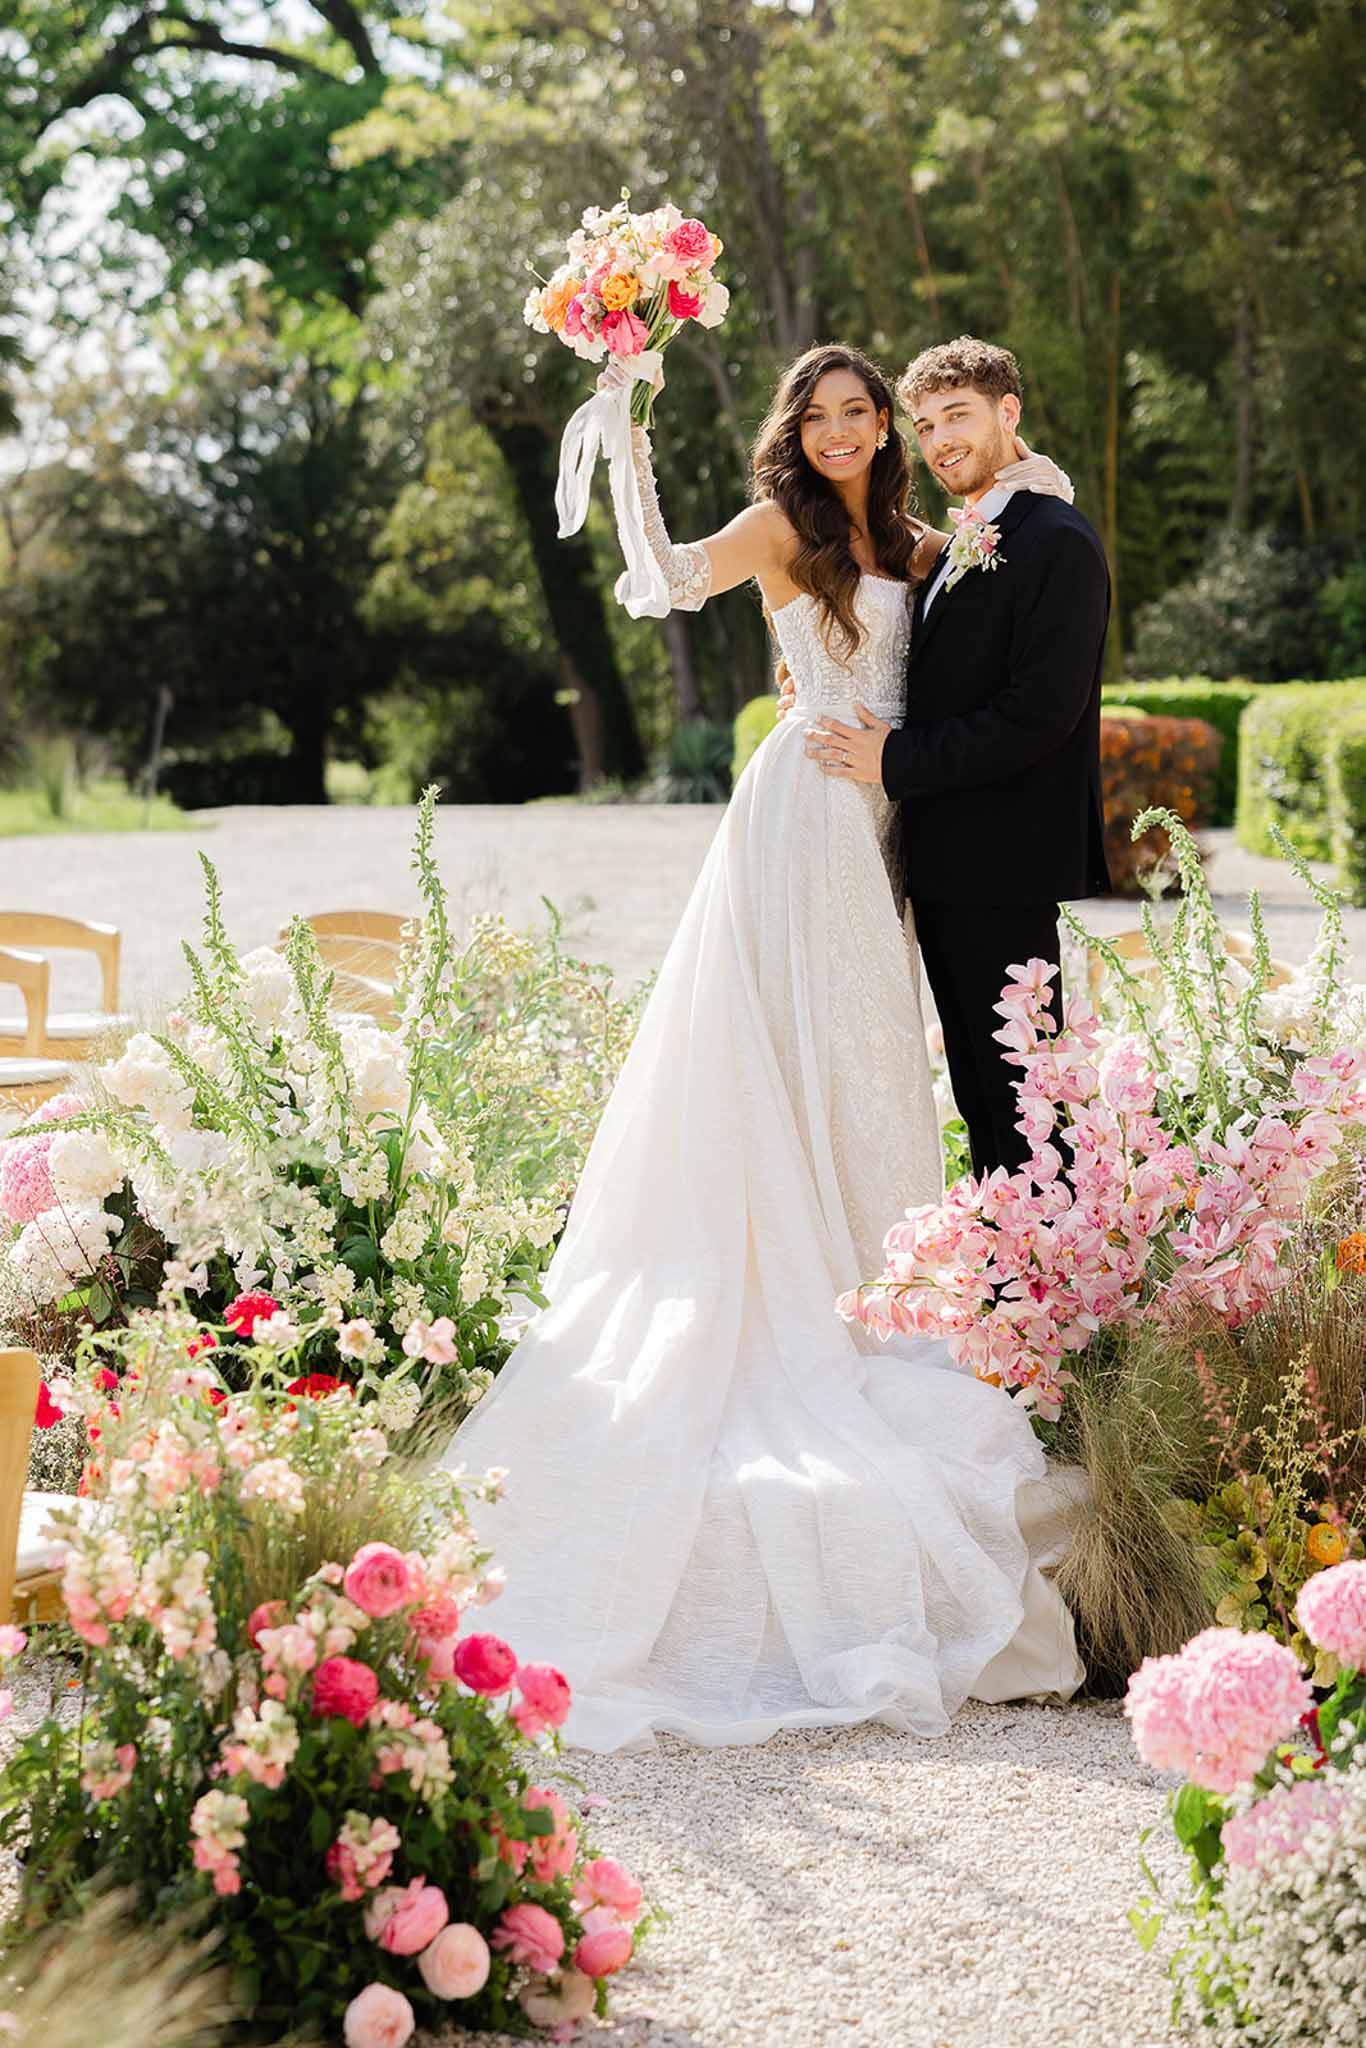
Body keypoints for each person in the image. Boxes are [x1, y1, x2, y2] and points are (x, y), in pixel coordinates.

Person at [444, 342, 1085, 1753]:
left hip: (886, 826)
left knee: (865, 1058)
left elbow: (993, 641)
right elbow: (663, 574)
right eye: (827, 412)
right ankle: (811, 1289)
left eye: (867, 412)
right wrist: (619, 430)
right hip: (803, 813)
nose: (849, 429)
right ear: (793, 429)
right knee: (798, 1051)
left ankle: (876, 1272)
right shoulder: (782, 530)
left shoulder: (920, 540)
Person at [796, 335, 1112, 1178]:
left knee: (1030, 1097)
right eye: (927, 424)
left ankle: (1058, 1290)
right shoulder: (970, 534)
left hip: (1006, 863)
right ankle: (1008, 1280)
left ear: (1009, 413)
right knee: (983, 1094)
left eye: (959, 417)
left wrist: (892, 760)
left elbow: (1039, 715)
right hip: (945, 866)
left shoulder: (1057, 540)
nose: (940, 441)